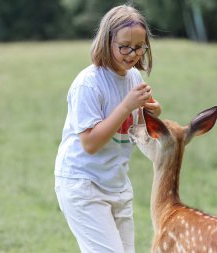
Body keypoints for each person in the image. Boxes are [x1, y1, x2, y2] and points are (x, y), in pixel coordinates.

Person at [54, 4, 162, 253]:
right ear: (107, 41)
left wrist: (150, 115)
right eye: (124, 46)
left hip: (117, 184)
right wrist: (127, 105)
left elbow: (134, 132)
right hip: (83, 184)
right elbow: (90, 143)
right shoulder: (88, 84)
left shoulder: (134, 79)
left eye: (139, 47)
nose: (132, 53)